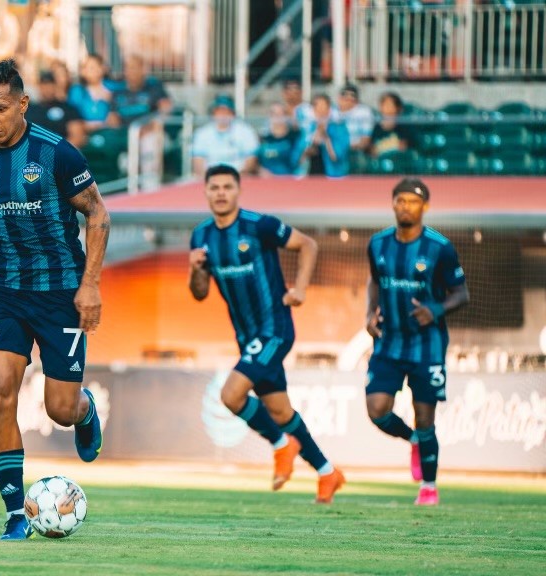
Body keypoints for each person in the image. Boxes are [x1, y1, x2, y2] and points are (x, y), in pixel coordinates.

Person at [0, 60, 109, 540]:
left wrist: (91, 285)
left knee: (58, 409)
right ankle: (15, 514)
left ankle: (83, 410)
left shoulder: (57, 154)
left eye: (0, 108)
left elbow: (98, 216)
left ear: (22, 103)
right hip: (6, 295)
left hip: (61, 293)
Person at [188, 164, 345, 504]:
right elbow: (200, 293)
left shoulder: (260, 225)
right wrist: (195, 270)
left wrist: (300, 289)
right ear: (205, 192)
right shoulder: (201, 236)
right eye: (214, 187)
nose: (220, 193)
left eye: (227, 187)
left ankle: (280, 444)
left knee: (231, 396)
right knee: (281, 412)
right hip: (246, 337)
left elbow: (308, 245)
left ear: (238, 190)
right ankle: (327, 472)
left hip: (275, 328)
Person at [364, 178, 469, 507]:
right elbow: (374, 281)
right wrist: (369, 313)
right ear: (392, 203)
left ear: (424, 207)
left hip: (428, 345)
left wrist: (435, 309)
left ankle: (429, 486)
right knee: (377, 410)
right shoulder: (378, 244)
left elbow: (462, 293)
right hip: (389, 343)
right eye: (400, 200)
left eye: (413, 201)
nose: (405, 206)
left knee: (425, 417)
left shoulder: (440, 247)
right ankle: (412, 440)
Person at [191, 95, 259, 176]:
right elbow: (198, 163)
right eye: (219, 112)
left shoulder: (246, 131)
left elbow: (251, 161)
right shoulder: (202, 133)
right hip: (210, 177)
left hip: (240, 177)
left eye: (227, 112)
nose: (223, 115)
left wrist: (235, 178)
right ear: (213, 113)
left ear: (233, 113)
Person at [106, 55, 172, 127]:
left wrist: (155, 124)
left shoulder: (154, 87)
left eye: (134, 68)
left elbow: (166, 109)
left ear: (143, 70)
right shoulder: (118, 92)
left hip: (149, 131)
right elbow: (112, 115)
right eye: (127, 68)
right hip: (124, 132)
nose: (131, 71)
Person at [26, 71, 86, 148]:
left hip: (62, 154)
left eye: (50, 85)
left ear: (55, 86)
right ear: (39, 87)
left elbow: (77, 136)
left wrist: (59, 152)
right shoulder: (30, 110)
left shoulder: (68, 108)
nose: (47, 89)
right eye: (44, 85)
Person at [297, 94, 350, 178]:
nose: (321, 112)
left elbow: (337, 156)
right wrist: (311, 146)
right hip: (309, 176)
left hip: (334, 176)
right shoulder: (309, 128)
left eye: (323, 108)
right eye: (317, 108)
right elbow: (297, 158)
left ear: (329, 109)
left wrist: (326, 139)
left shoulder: (339, 128)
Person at [67, 54, 112, 131]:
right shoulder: (77, 91)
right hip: (84, 135)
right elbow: (72, 116)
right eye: (86, 67)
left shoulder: (113, 88)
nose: (90, 71)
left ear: (103, 68)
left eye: (94, 67)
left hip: (110, 134)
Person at [256, 104, 301, 177]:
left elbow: (298, 161)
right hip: (266, 182)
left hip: (289, 180)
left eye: (281, 114)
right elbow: (256, 161)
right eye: (275, 114)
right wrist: (260, 170)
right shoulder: (263, 139)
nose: (278, 118)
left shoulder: (294, 137)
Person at [369, 92, 412, 158]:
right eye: (384, 104)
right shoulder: (376, 127)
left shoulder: (403, 126)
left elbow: (404, 147)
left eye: (389, 104)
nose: (386, 108)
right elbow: (372, 149)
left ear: (397, 108)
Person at [337, 84, 375, 153]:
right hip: (334, 150)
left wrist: (349, 148)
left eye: (352, 96)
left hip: (355, 151)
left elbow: (365, 140)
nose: (347, 99)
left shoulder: (364, 112)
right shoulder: (333, 111)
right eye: (344, 95)